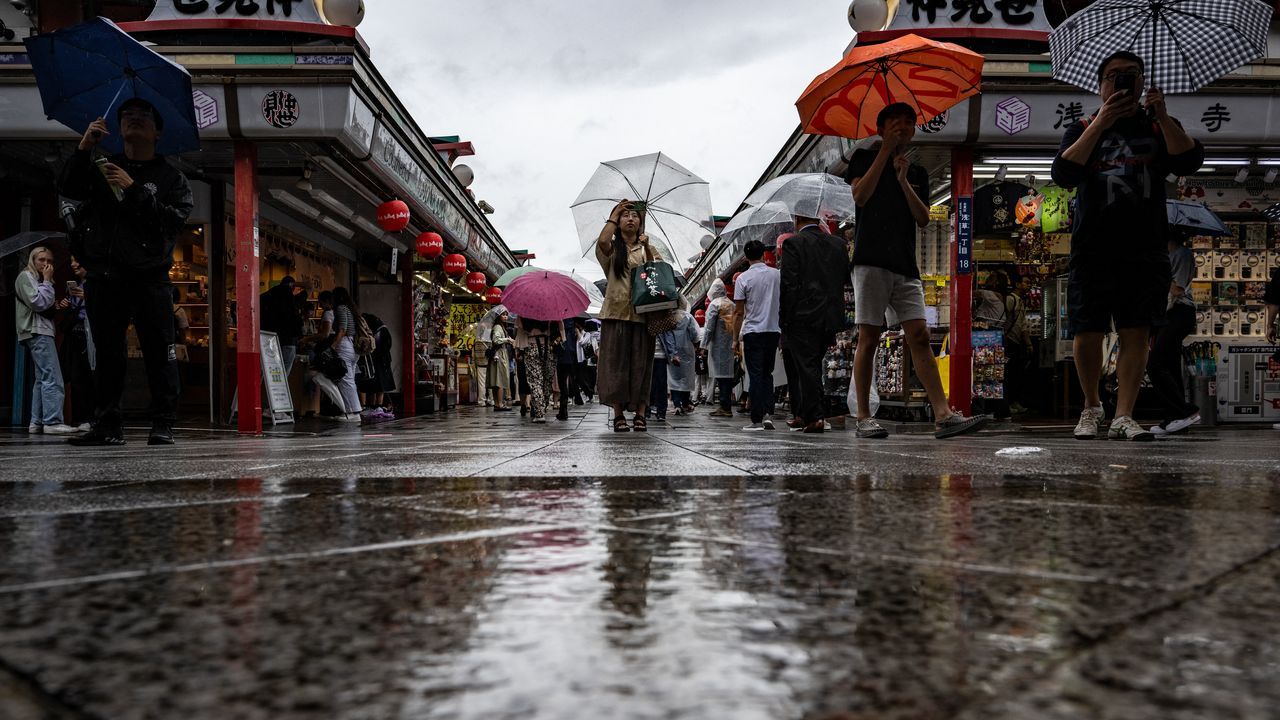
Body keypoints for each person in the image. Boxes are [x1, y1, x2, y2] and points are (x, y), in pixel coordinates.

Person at [1051, 50, 1204, 441]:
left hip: (1145, 250)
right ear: (1100, 85)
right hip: (1093, 248)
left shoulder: (1156, 127)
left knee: (1136, 332)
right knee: (1087, 332)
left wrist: (1162, 114)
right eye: (1114, 76)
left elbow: (1188, 161)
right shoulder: (1083, 126)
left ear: (1142, 83)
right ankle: (1091, 406)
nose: (1123, 82)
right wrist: (1102, 121)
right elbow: (1064, 172)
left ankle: (1123, 415)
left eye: (1132, 76)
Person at [846, 102, 986, 440]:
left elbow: (923, 218)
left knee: (920, 336)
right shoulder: (863, 158)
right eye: (896, 122)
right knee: (869, 336)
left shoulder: (918, 171)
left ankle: (943, 414)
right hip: (870, 260)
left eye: (909, 122)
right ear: (881, 128)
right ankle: (864, 415)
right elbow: (861, 196)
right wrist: (885, 155)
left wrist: (904, 179)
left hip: (906, 264)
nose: (904, 127)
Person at [60, 98, 193, 446]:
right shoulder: (102, 166)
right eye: (127, 116)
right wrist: (85, 147)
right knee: (106, 353)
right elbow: (69, 190)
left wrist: (135, 190)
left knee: (158, 352)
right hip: (106, 277)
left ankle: (163, 423)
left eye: (143, 116)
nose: (134, 120)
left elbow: (172, 222)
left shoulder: (172, 178)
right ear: (117, 129)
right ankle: (107, 425)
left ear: (158, 131)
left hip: (150, 279)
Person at [595, 200, 659, 432]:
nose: (630, 219)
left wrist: (649, 248)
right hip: (615, 314)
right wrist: (614, 213)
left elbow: (658, 274)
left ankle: (641, 414)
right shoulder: (611, 249)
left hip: (643, 315)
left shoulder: (647, 248)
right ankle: (618, 414)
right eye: (625, 215)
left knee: (642, 365)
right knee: (616, 366)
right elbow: (602, 240)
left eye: (634, 216)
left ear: (641, 222)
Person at [16, 247, 79, 435]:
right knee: (52, 376)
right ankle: (52, 421)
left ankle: (36, 421)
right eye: (41, 259)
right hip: (37, 331)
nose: (46, 264)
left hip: (40, 330)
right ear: (32, 260)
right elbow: (38, 302)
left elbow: (45, 304)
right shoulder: (25, 277)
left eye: (49, 260)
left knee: (41, 379)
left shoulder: (37, 279)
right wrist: (46, 282)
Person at [1147, 235, 1201, 435]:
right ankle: (1175, 419)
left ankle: (1184, 411)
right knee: (1169, 365)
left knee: (1155, 364)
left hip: (1179, 313)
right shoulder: (1169, 255)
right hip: (1168, 314)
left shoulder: (1182, 254)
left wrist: (1160, 274)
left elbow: (1177, 289)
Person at [733, 240, 781, 431]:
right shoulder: (777, 275)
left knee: (755, 375)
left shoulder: (743, 279)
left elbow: (738, 312)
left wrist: (735, 339)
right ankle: (768, 413)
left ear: (746, 257)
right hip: (773, 330)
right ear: (763, 254)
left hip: (752, 331)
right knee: (768, 374)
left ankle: (756, 419)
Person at [58, 255, 95, 430]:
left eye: (77, 259)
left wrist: (91, 299)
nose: (73, 264)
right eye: (71, 260)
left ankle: (92, 417)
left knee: (90, 376)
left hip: (91, 336)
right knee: (75, 377)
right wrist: (65, 303)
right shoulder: (75, 286)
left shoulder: (97, 286)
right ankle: (80, 418)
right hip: (75, 335)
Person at [702, 279, 737, 419]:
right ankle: (725, 405)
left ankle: (725, 406)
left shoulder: (714, 305)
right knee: (727, 376)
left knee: (721, 377)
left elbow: (709, 328)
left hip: (717, 346)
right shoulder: (732, 304)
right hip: (730, 345)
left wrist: (703, 346)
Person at [516, 316, 561, 423]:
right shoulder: (552, 310)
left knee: (535, 381)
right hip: (549, 347)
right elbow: (561, 330)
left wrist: (519, 351)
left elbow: (521, 333)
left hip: (531, 347)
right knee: (547, 380)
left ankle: (539, 412)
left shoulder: (524, 311)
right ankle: (542, 408)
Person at [328, 287, 363, 422]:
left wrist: (333, 346)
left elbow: (342, 329)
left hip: (345, 345)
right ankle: (353, 410)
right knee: (350, 379)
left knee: (346, 380)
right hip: (354, 347)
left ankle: (353, 411)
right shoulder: (351, 309)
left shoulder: (341, 309)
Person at [261, 275, 304, 374]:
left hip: (269, 339)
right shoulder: (292, 300)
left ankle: (265, 388)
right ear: (292, 287)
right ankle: (280, 389)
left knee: (269, 371)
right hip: (288, 340)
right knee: (283, 374)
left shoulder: (267, 296)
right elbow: (310, 286)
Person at [357, 312, 395, 420]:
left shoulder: (377, 330)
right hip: (381, 361)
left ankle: (375, 405)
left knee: (376, 383)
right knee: (378, 384)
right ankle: (376, 405)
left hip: (378, 360)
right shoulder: (381, 328)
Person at [667, 307, 700, 415]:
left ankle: (677, 405)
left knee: (673, 378)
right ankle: (685, 403)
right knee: (686, 377)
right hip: (687, 350)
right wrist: (695, 343)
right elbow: (694, 333)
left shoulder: (668, 316)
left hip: (672, 350)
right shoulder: (687, 317)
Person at [557, 318, 583, 421]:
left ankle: (563, 411)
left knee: (563, 385)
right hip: (572, 356)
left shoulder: (559, 324)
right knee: (572, 380)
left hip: (561, 356)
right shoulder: (573, 326)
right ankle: (566, 409)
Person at [487, 310, 514, 411]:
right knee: (500, 380)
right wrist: (508, 340)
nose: (506, 317)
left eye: (506, 315)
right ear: (498, 316)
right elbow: (496, 340)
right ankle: (500, 404)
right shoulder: (498, 327)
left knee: (496, 380)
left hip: (498, 355)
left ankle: (497, 403)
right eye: (503, 315)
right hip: (499, 355)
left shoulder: (501, 326)